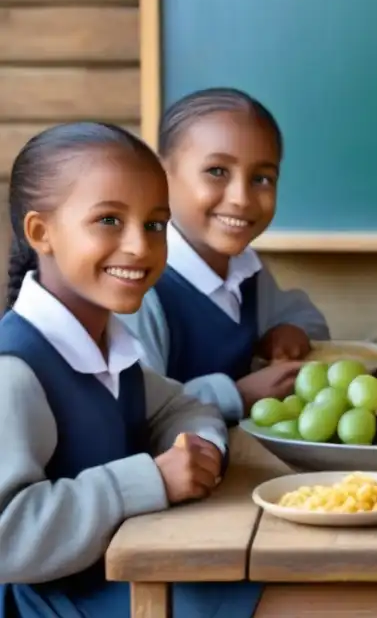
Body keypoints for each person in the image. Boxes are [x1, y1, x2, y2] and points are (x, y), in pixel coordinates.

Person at [0, 122, 260, 617]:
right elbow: (6, 535)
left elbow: (185, 406)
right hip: (60, 606)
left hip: (126, 577)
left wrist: (195, 448)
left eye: (155, 224)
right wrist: (149, 482)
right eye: (109, 221)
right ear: (41, 232)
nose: (140, 246)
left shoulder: (111, 352)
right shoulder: (15, 372)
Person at [120, 87, 331, 423]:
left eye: (262, 178)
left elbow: (306, 315)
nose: (242, 199)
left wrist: (290, 330)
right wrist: (239, 395)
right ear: (159, 177)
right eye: (217, 171)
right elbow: (133, 407)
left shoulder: (247, 271)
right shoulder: (138, 288)